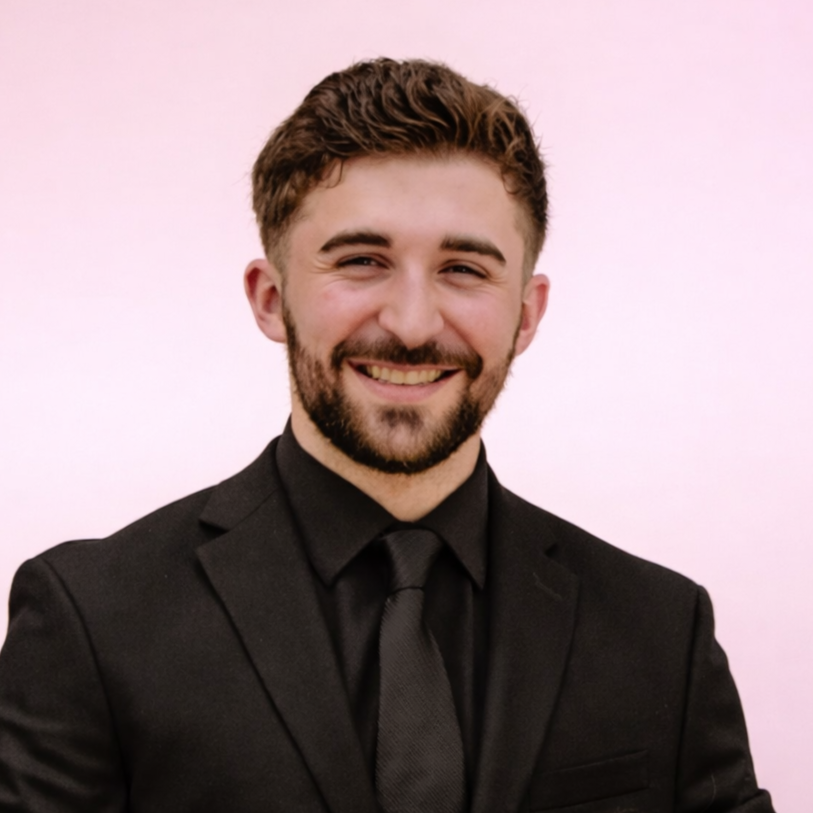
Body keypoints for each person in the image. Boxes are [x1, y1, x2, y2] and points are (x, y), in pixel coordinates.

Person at [0, 58, 774, 813]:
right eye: (363, 261)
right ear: (271, 298)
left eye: (464, 269)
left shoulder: (660, 631)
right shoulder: (92, 622)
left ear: (526, 314)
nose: (411, 324)